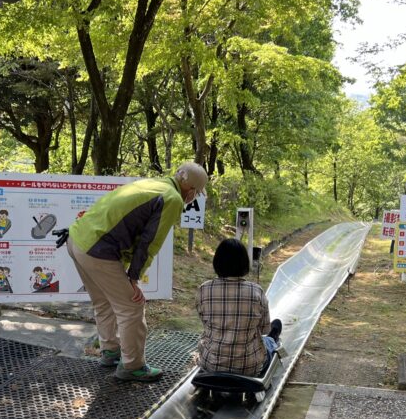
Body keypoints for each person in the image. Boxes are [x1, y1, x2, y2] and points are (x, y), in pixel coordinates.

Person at [67, 162, 209, 382]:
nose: (194, 197)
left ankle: (111, 352)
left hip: (77, 240)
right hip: (97, 249)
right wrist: (133, 278)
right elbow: (149, 243)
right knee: (132, 306)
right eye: (197, 193)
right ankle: (132, 366)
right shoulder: (172, 199)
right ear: (191, 191)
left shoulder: (155, 184)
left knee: (103, 300)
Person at [197, 238, 282, 376]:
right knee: (268, 340)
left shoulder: (204, 289)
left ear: (217, 262)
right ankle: (273, 339)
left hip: (211, 364)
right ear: (244, 263)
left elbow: (205, 322)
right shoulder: (256, 291)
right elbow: (264, 329)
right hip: (249, 366)